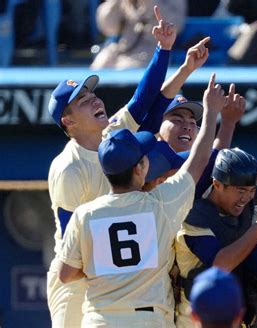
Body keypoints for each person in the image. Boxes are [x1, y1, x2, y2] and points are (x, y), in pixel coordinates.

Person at [57, 73, 226, 327]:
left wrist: (104, 268)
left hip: (99, 318)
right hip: (147, 318)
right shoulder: (160, 204)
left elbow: (65, 274)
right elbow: (199, 160)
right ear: (141, 166)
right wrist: (212, 112)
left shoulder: (86, 214)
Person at [46, 6, 179, 327]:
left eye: (92, 94)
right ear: (68, 121)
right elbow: (69, 243)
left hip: (111, 272)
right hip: (74, 281)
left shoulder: (112, 135)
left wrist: (164, 51)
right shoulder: (68, 167)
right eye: (82, 101)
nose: (95, 100)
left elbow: (143, 100)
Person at [175, 148, 257, 328]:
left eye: (251, 191)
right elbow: (221, 265)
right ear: (217, 184)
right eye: (241, 190)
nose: (246, 198)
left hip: (231, 318)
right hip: (195, 319)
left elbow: (250, 255)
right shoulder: (194, 216)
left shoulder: (247, 207)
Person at [91, 0, 187, 69]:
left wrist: (149, 3)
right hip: (121, 48)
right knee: (98, 67)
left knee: (128, 68)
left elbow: (176, 26)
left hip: (150, 49)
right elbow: (108, 28)